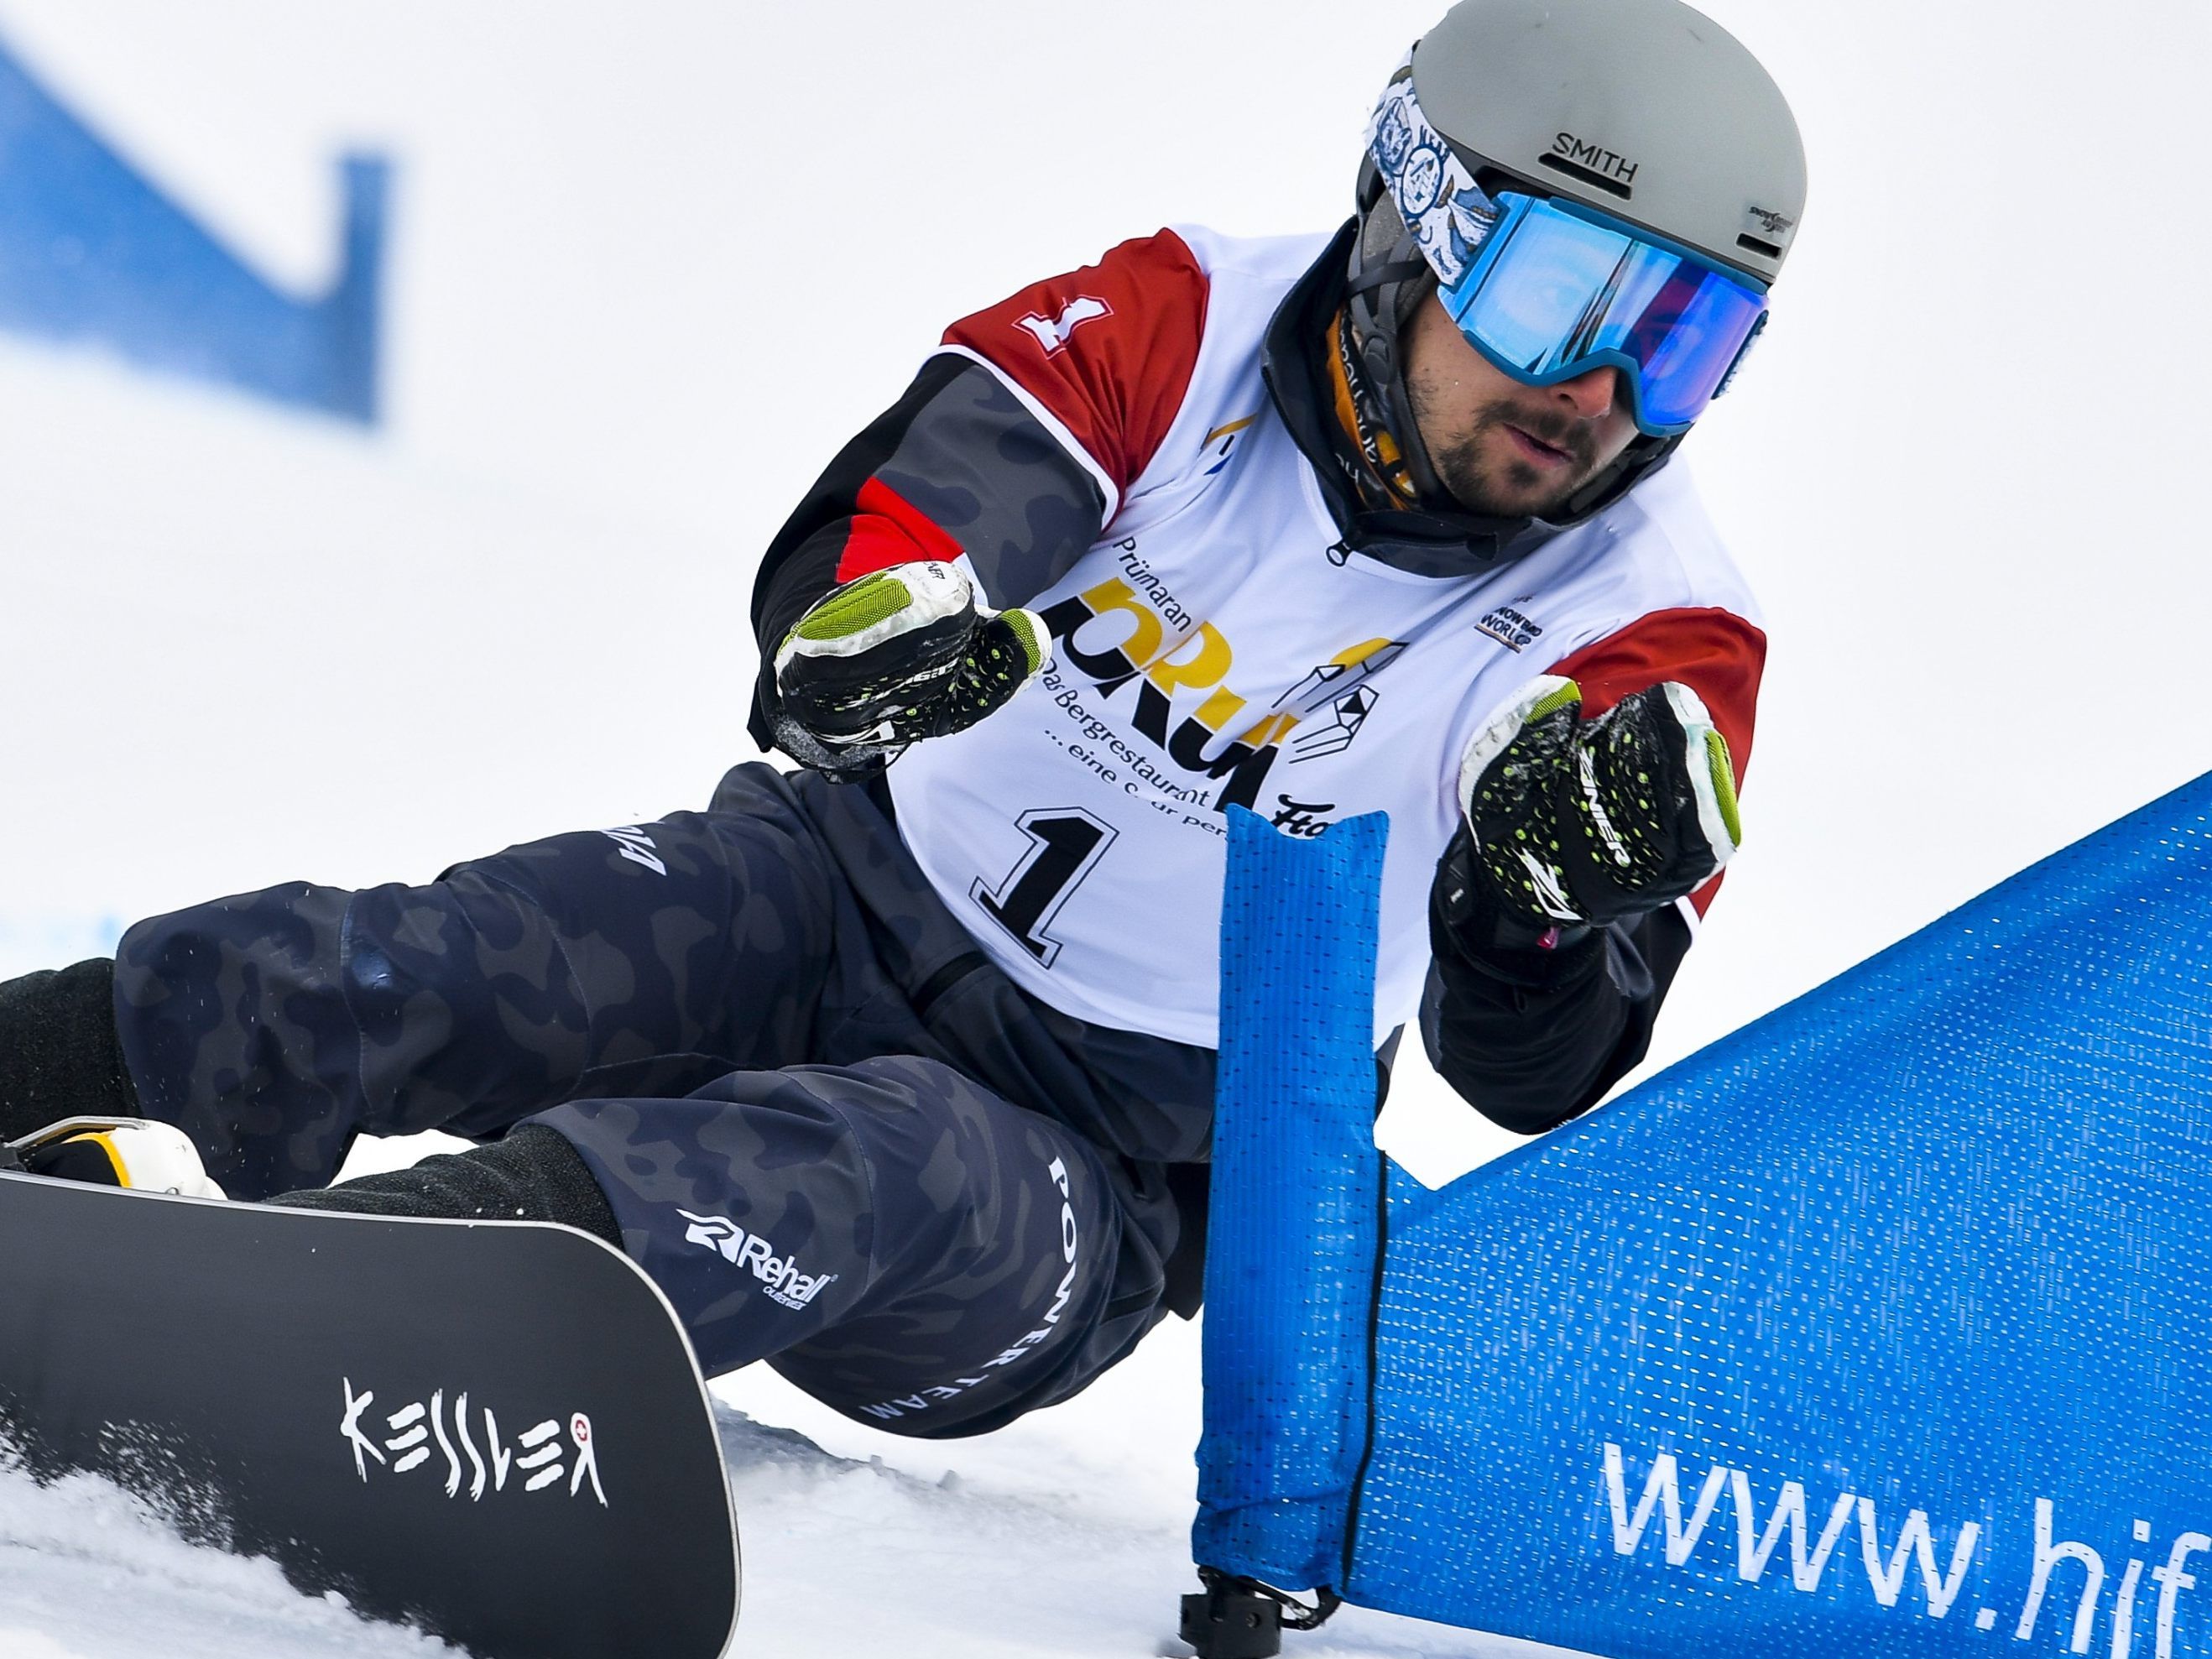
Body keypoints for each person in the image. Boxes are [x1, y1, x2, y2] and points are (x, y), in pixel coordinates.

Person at [0, 0, 1802, 1438]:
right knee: (440, 960)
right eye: (1567, 296)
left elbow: (1534, 1068)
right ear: (1415, 220)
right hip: (831, 900)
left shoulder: (1658, 626)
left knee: (854, 1153)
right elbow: (906, 524)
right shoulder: (1183, 317)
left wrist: (1526, 907)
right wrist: (883, 634)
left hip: (1095, 1172)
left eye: (1689, 340)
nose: (1601, 394)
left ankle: (257, 1320)